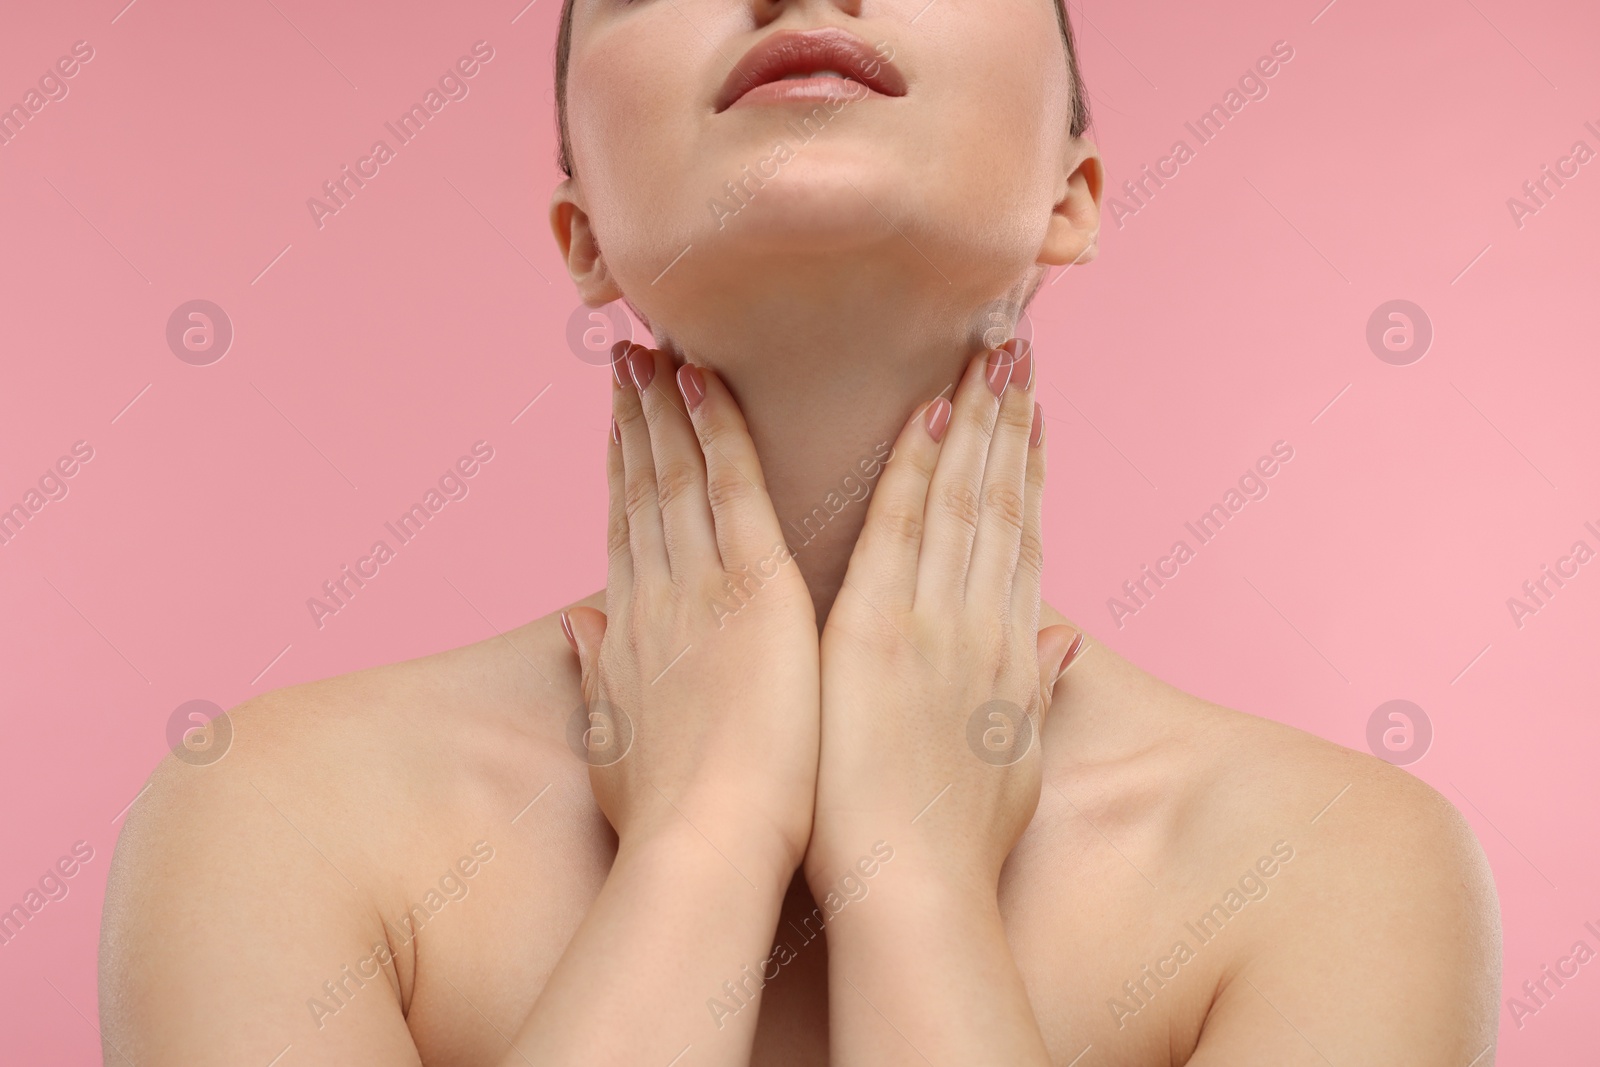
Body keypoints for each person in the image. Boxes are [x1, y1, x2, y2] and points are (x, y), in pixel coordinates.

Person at [100, 1, 1501, 1063]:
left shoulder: (1339, 870)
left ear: (1072, 198)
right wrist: (705, 839)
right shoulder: (270, 817)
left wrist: (918, 874)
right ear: (582, 235)